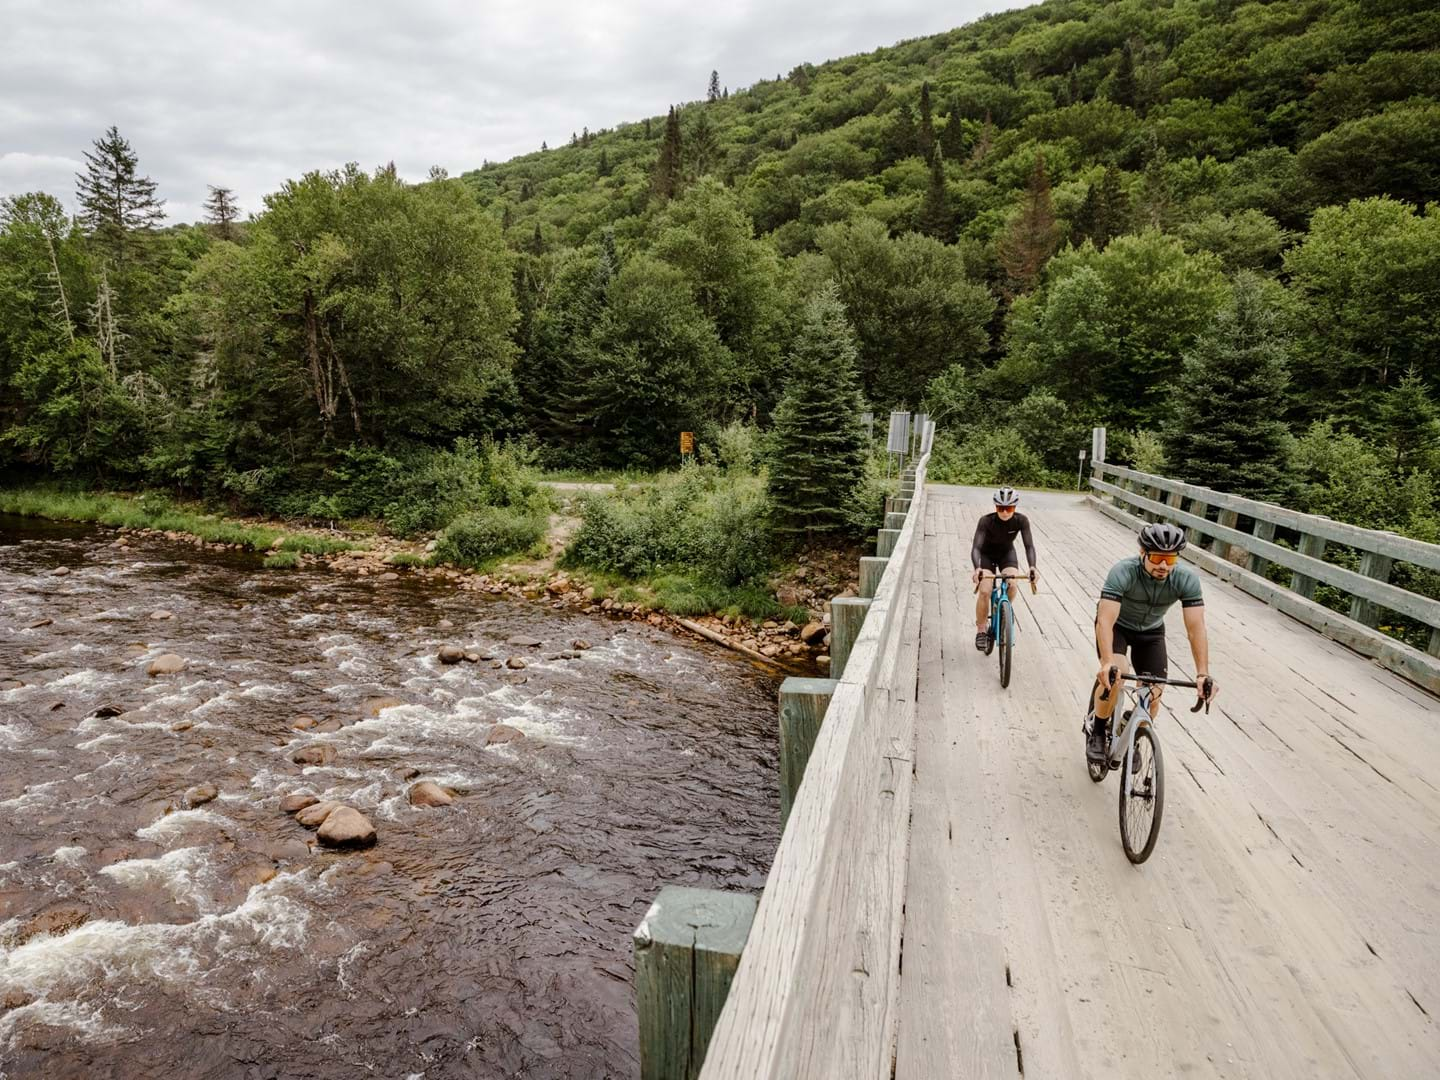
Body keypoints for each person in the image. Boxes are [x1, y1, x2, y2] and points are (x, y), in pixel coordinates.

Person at [1088, 521, 1218, 763]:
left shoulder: (1186, 579)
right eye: (1157, 558)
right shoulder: (1123, 571)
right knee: (1117, 674)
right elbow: (1105, 622)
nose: (1163, 566)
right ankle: (1097, 729)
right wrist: (1106, 662)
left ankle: (1132, 733)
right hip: (1117, 627)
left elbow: (1196, 628)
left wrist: (1202, 673)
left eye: (1170, 560)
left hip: (1151, 632)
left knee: (1153, 692)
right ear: (1143, 553)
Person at [969, 486, 1038, 652]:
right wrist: (977, 568)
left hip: (1007, 554)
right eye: (1001, 508)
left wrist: (1032, 567)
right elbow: (976, 548)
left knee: (1012, 584)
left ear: (1015, 507)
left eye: (1010, 508)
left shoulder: (1021, 521)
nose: (1005, 512)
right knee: (985, 591)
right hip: (986, 556)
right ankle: (981, 629)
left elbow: (1029, 546)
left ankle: (1004, 611)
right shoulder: (986, 521)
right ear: (995, 507)